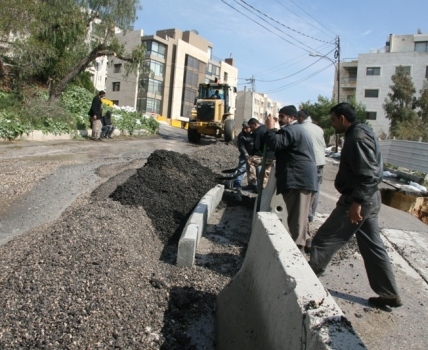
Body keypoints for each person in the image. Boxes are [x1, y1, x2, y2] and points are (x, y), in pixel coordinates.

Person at [309, 102, 402, 308]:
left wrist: (357, 202)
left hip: (359, 199)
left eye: (333, 120)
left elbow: (369, 174)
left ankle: (306, 283)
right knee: (372, 246)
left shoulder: (358, 137)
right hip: (368, 198)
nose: (332, 124)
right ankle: (389, 294)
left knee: (324, 240)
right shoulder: (360, 132)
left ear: (343, 118)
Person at [264, 105, 318, 253]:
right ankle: (306, 241)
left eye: (282, 117)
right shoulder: (298, 130)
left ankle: (297, 250)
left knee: (296, 217)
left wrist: (270, 129)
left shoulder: (291, 130)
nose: (279, 120)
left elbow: (275, 143)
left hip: (298, 179)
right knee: (301, 215)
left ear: (292, 118)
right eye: (278, 117)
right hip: (304, 178)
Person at [298, 109, 326, 252]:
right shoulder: (318, 128)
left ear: (301, 117)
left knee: (305, 193)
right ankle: (311, 215)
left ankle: (305, 217)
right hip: (320, 163)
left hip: (309, 163)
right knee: (316, 190)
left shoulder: (300, 128)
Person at [244, 118, 275, 193]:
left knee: (250, 161)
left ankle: (252, 183)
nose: (251, 129)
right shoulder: (264, 129)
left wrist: (251, 154)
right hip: (273, 156)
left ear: (255, 124)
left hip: (265, 155)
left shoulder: (257, 132)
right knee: (265, 172)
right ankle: (262, 189)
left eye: (251, 127)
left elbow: (256, 147)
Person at [233, 121, 254, 191]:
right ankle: (237, 184)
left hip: (254, 155)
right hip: (244, 155)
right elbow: (241, 146)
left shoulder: (254, 134)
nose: (245, 129)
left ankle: (252, 185)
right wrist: (245, 154)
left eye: (246, 128)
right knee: (242, 169)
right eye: (244, 128)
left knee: (252, 171)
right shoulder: (241, 135)